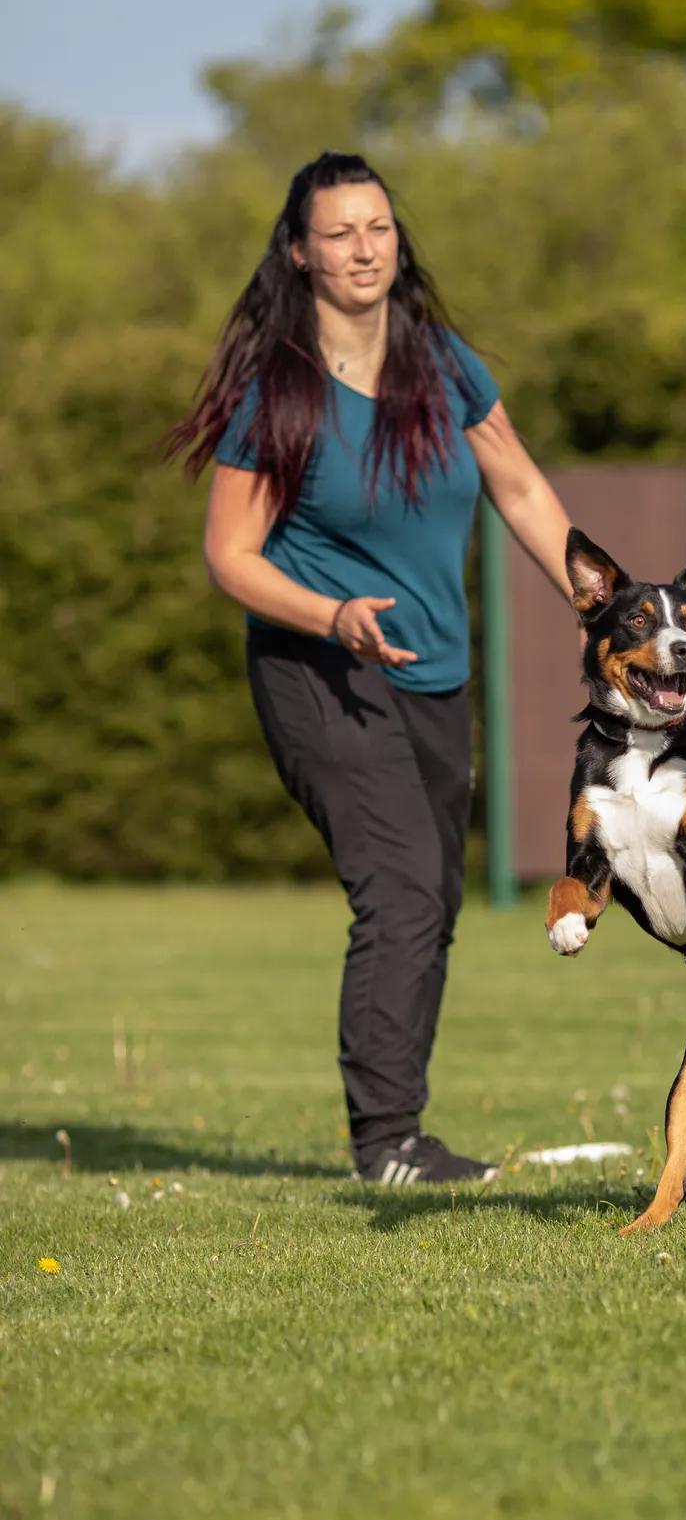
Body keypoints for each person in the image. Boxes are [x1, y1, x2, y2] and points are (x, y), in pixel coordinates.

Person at [166, 150, 573, 1184]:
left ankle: (400, 1133)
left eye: (379, 227)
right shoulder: (279, 394)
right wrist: (329, 614)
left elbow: (519, 487)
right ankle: (386, 1143)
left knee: (431, 894)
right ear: (300, 253)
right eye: (340, 232)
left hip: (432, 669)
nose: (363, 248)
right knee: (398, 888)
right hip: (318, 668)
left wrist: (596, 598)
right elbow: (230, 557)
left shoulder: (445, 364)